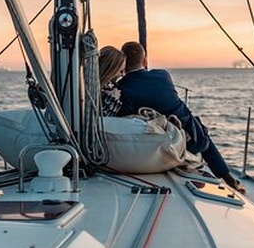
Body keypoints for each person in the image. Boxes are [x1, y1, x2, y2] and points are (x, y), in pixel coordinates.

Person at [116, 41, 245, 192]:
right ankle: (226, 175)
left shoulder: (122, 87)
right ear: (144, 61)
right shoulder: (163, 75)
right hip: (190, 141)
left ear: (123, 64)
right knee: (194, 122)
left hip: (156, 143)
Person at [98, 45, 126, 117]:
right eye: (121, 71)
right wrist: (113, 99)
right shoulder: (94, 92)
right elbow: (102, 120)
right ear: (111, 70)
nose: (122, 75)